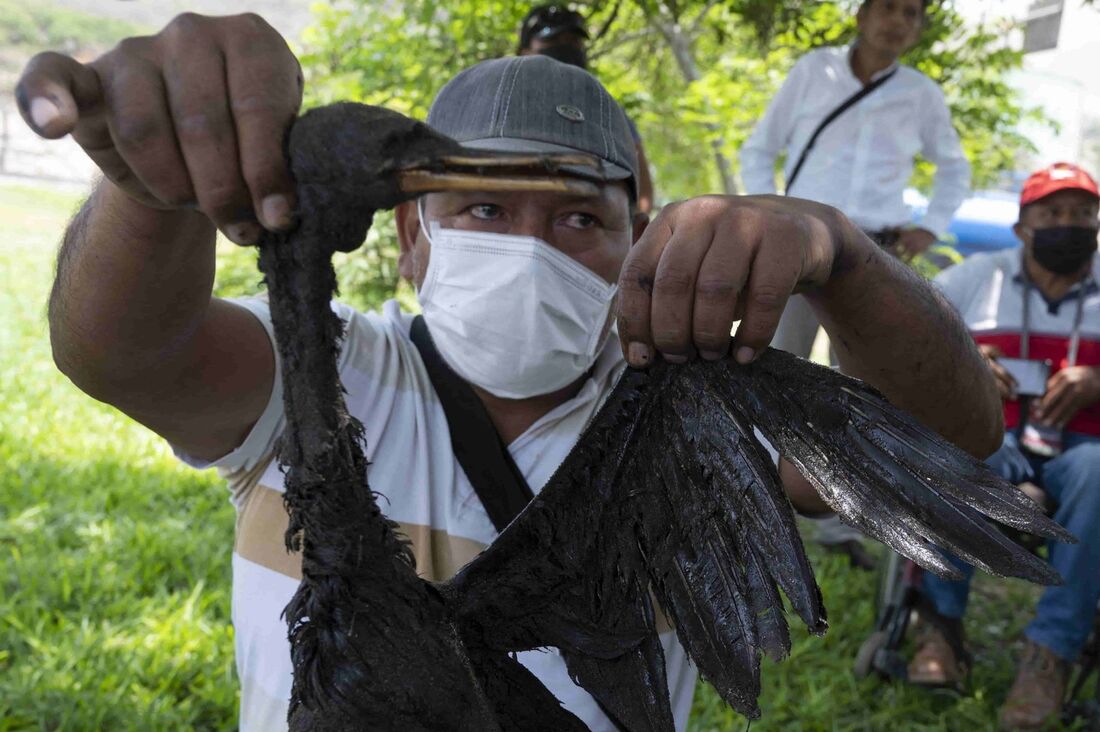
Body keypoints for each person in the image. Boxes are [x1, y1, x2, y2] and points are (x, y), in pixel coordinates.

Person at [18, 12, 1002, 731]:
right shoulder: (317, 376)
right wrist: (150, 187)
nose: (530, 243)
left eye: (576, 217)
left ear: (638, 238)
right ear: (409, 238)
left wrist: (843, 254)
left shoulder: (692, 424)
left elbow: (946, 447)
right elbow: (118, 351)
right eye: (484, 212)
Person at [739, 0, 971, 562]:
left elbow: (954, 166)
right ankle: (748, 500)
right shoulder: (812, 70)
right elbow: (759, 148)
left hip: (873, 255)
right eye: (888, 8)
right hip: (798, 241)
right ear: (862, 14)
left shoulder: (921, 93)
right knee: (766, 367)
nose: (898, 21)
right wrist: (768, 214)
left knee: (867, 391)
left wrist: (930, 229)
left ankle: (848, 516)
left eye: (912, 13)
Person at [902, 163, 1100, 731]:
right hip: (998, 440)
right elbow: (913, 346)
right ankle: (939, 626)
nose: (1071, 225)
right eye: (1053, 214)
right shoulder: (975, 279)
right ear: (1022, 228)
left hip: (1082, 454)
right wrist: (968, 366)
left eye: (1083, 215)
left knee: (1096, 469)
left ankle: (1050, 654)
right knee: (959, 456)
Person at [517, 3, 656, 213]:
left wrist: (630, 231)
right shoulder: (505, 106)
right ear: (524, 52)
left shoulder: (606, 111)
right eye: (552, 41)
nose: (565, 48)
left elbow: (642, 191)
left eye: (573, 41)